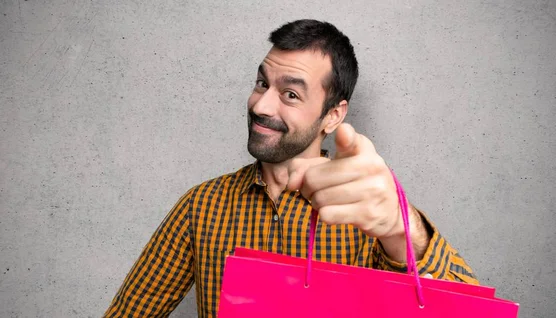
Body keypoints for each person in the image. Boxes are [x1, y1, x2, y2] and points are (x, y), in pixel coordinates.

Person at [103, 19, 478, 318]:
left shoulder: (366, 213)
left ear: (332, 116)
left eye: (290, 94)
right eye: (262, 83)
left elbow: (466, 306)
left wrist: (401, 228)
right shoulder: (200, 206)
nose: (262, 106)